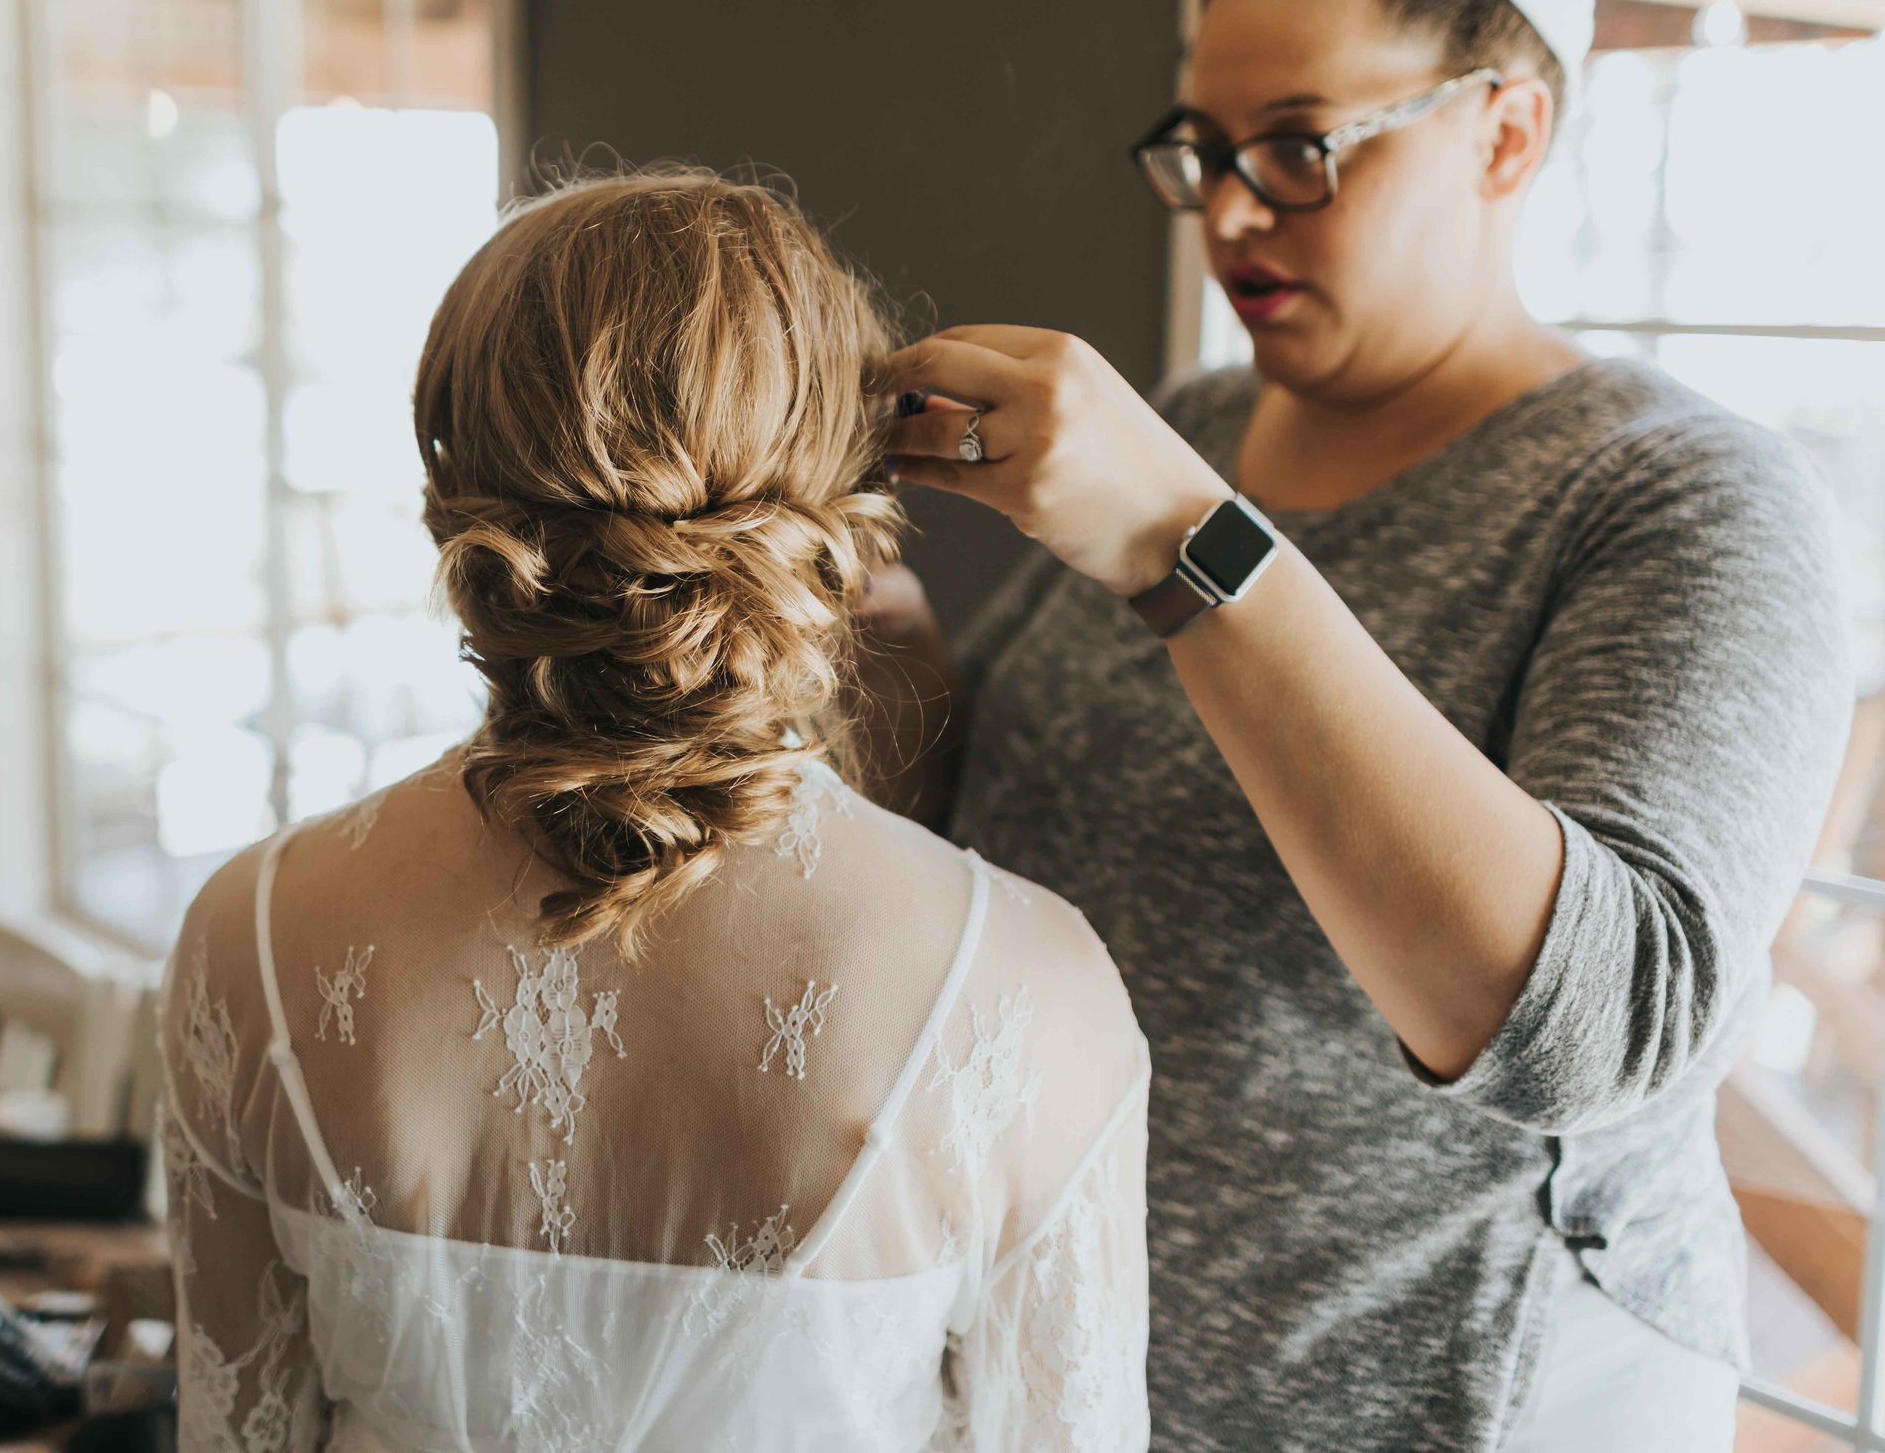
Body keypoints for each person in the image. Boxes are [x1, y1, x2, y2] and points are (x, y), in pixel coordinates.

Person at [862, 0, 1854, 1449]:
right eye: (1206, 148)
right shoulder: (1197, 411)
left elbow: (1600, 1033)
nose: (1233, 211)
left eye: (1302, 147)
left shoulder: (1681, 499)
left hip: (1452, 1400)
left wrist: (1191, 543)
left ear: (1507, 133)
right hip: (1088, 1377)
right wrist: (860, 609)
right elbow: (991, 817)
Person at [157, 171, 1152, 1451]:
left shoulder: (251, 936)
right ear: (847, 474)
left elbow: (232, 1430)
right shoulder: (1025, 986)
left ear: (452, 475)